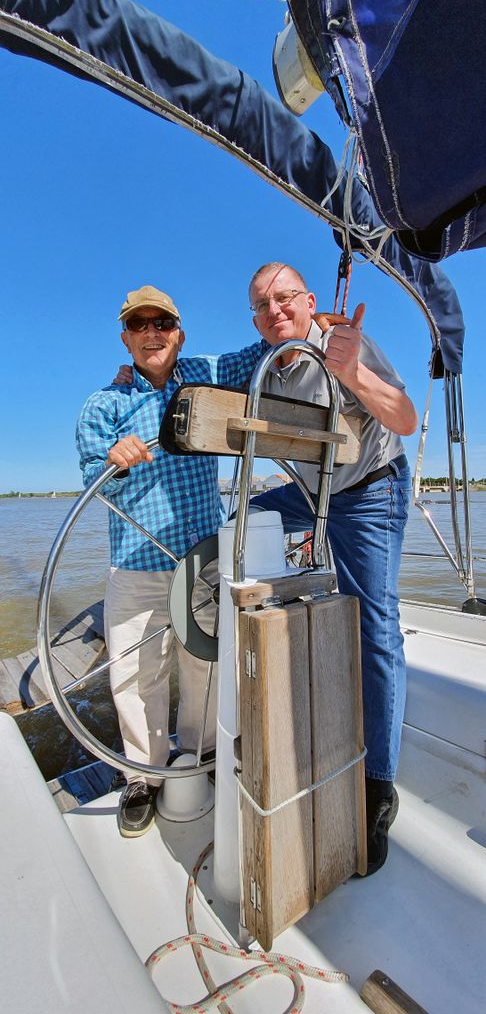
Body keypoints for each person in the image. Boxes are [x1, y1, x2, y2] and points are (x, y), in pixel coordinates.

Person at [76, 285, 266, 838]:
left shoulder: (202, 373)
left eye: (162, 323)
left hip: (201, 559)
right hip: (135, 566)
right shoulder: (103, 404)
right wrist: (114, 458)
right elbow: (92, 480)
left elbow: (258, 354)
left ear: (179, 334)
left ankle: (200, 755)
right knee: (135, 675)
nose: (152, 333)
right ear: (126, 338)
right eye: (140, 325)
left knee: (203, 664)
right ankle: (143, 775)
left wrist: (305, 320)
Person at [248, 262, 417, 875]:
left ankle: (378, 787)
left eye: (285, 298)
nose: (276, 311)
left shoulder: (342, 338)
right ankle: (292, 604)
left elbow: (404, 417)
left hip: (371, 488)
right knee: (246, 518)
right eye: (263, 306)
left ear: (309, 299)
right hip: (314, 495)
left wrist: (352, 373)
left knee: (377, 628)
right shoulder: (268, 366)